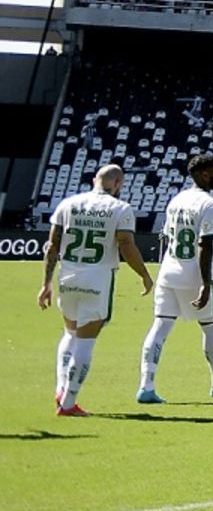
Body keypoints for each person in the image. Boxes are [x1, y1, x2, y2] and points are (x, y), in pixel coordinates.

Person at [39, 160, 149, 416]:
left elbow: (52, 246)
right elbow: (126, 245)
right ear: (119, 184)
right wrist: (144, 274)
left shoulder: (68, 204)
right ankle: (69, 404)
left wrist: (46, 283)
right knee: (85, 343)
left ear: (93, 181)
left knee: (69, 334)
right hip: (97, 279)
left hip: (68, 277)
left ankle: (61, 388)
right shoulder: (121, 208)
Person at [140, 154, 213, 405]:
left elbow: (168, 239)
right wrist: (205, 283)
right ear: (204, 174)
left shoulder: (176, 200)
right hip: (195, 273)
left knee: (159, 328)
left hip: (169, 271)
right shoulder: (210, 204)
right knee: (212, 328)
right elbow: (205, 244)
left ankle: (146, 386)